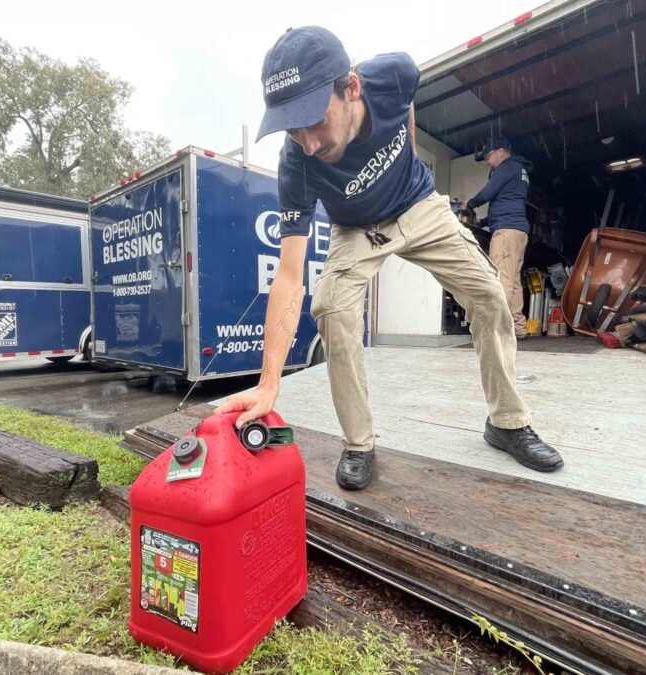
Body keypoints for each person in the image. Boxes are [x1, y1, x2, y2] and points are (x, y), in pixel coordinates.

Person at [214, 27, 564, 489]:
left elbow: (408, 101)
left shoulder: (393, 75)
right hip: (356, 229)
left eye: (315, 121)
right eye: (292, 130)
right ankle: (359, 442)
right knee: (332, 310)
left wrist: (408, 160)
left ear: (352, 88)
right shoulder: (297, 164)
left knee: (491, 294)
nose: (309, 144)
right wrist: (269, 383)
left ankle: (507, 422)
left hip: (418, 205)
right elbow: (289, 276)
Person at [462, 137, 533, 340]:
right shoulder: (518, 169)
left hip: (507, 232)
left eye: (488, 155)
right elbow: (506, 202)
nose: (487, 160)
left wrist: (470, 204)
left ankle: (499, 329)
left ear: (501, 151)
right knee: (514, 281)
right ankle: (518, 327)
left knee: (502, 279)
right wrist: (483, 223)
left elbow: (488, 193)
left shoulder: (507, 167)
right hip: (518, 230)